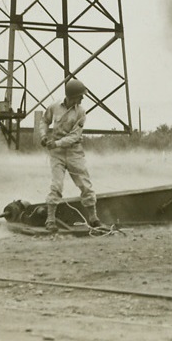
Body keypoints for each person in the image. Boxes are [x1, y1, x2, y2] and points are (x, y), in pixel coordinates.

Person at [38, 76, 102, 232]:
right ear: (72, 96)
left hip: (74, 151)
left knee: (85, 185)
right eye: (80, 95)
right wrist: (43, 136)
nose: (82, 98)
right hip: (57, 153)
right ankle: (50, 220)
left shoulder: (81, 112)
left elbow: (74, 135)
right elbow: (44, 121)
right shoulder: (54, 107)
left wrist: (57, 143)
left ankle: (93, 218)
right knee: (56, 185)